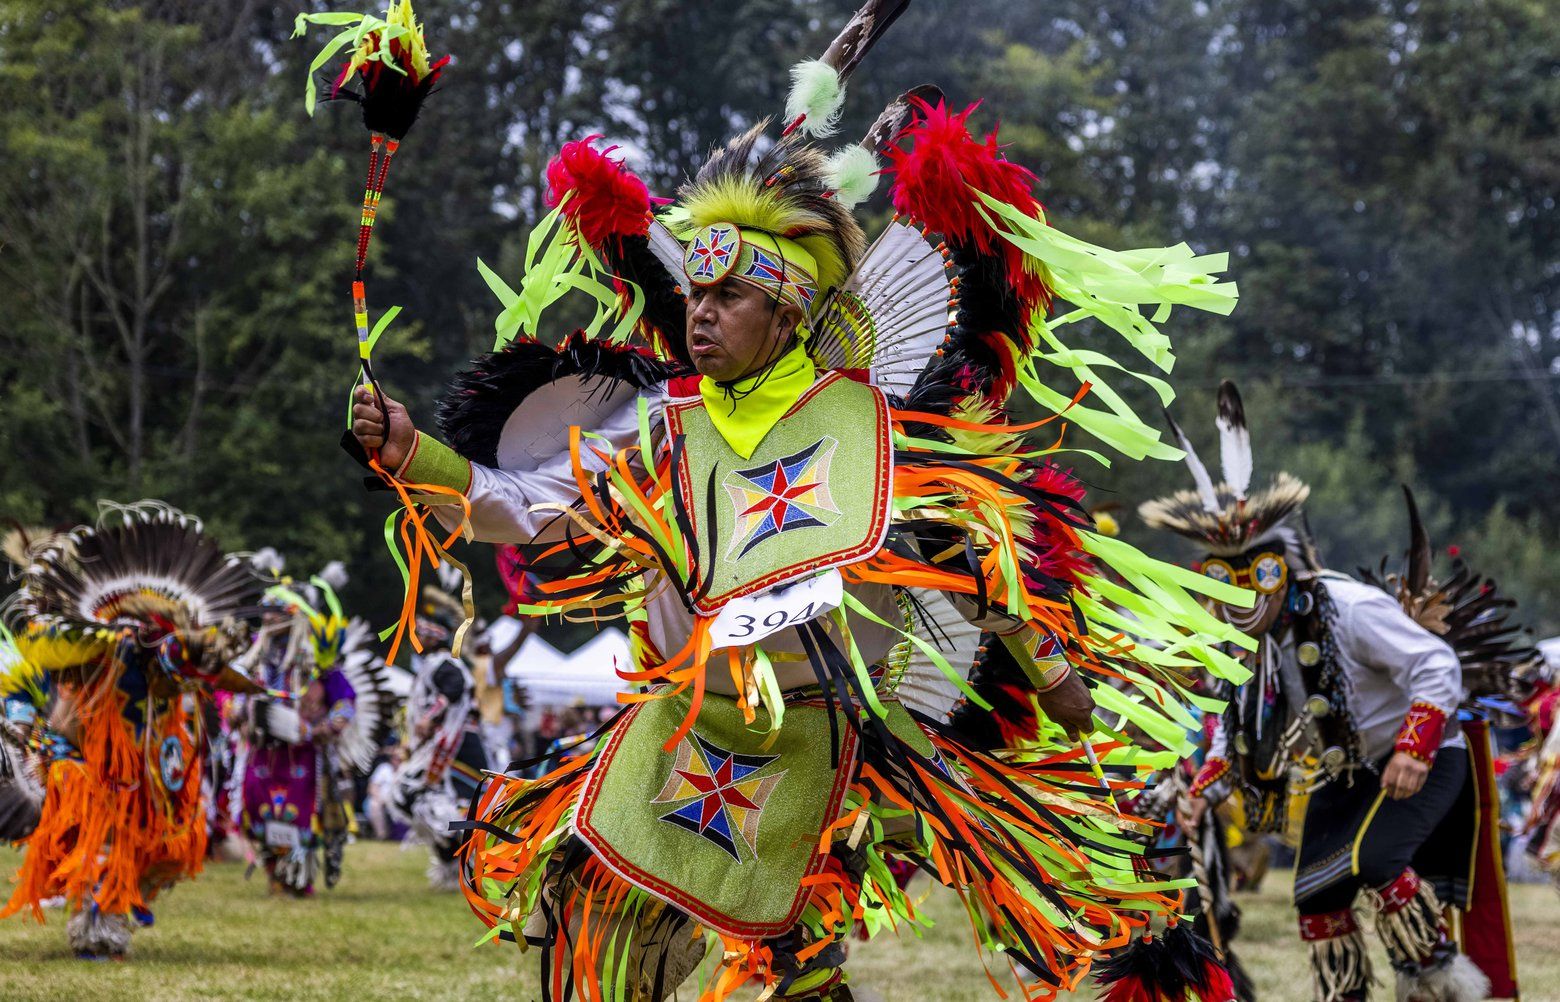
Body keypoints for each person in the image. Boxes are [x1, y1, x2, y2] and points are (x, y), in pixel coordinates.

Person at [340, 3, 1244, 997]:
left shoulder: (862, 430)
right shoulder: (661, 432)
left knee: (790, 970)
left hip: (817, 748)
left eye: (728, 300)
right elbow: (526, 506)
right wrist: (411, 451)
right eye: (694, 297)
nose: (701, 313)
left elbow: (981, 544)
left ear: (785, 312)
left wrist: (1051, 671)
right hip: (683, 735)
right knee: (589, 942)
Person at [1144, 383, 1518, 1002]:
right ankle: (1345, 995)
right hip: (1341, 775)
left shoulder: (1348, 609)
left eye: (1256, 575)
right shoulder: (1243, 643)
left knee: (1374, 862)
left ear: (1281, 567)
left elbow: (1436, 664)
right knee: (1315, 895)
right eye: (1224, 579)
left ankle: (1441, 986)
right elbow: (1237, 728)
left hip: (1423, 762)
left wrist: (1414, 747)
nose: (1242, 595)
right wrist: (1206, 790)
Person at [0, 503, 261, 959]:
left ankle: (116, 907)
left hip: (148, 767)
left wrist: (196, 658)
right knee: (100, 843)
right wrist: (22, 723)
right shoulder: (67, 644)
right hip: (81, 760)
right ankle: (97, 930)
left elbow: (188, 679)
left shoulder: (156, 644)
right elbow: (27, 683)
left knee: (159, 847)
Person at [235, 571, 397, 895]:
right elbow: (235, 696)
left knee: (297, 812)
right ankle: (274, 870)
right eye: (265, 611)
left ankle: (297, 877)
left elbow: (345, 698)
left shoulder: (315, 656)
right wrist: (239, 714)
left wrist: (329, 725)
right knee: (255, 805)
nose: (267, 618)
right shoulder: (255, 655)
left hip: (304, 752)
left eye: (275, 611)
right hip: (264, 750)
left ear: (293, 615)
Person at [389, 585, 492, 889]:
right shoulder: (432, 666)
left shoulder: (446, 665)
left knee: (425, 800)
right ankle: (452, 863)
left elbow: (454, 688)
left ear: (436, 634)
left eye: (423, 629)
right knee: (414, 799)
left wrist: (430, 717)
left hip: (458, 750)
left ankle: (462, 863)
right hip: (446, 751)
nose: (418, 635)